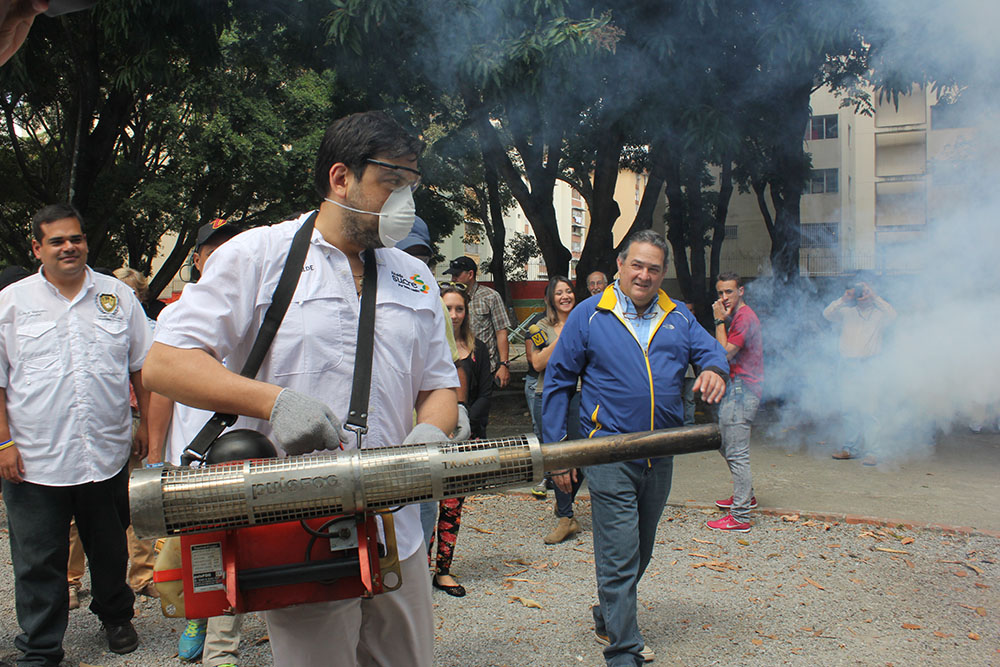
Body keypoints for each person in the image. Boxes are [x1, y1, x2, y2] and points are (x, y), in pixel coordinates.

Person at [142, 110, 459, 667]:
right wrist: (274, 402)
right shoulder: (258, 255)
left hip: (398, 526)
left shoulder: (416, 277)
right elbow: (165, 365)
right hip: (298, 525)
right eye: (393, 181)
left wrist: (430, 433)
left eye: (412, 185)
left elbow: (439, 385)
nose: (405, 200)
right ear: (341, 177)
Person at [542, 230, 728, 666]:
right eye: (637, 265)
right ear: (621, 266)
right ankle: (623, 649)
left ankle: (608, 612)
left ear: (663, 274)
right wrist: (557, 453)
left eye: (654, 268)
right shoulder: (589, 314)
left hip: (660, 452)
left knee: (641, 547)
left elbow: (712, 352)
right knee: (620, 550)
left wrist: (716, 369)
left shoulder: (678, 316)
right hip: (608, 451)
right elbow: (558, 384)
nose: (644, 275)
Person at [0, 203, 152, 663]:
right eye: (57, 241)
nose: (69, 247)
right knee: (36, 559)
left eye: (76, 238)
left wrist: (144, 426)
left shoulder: (117, 297)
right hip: (33, 458)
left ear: (86, 241)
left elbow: (144, 368)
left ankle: (116, 616)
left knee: (108, 549)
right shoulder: (11, 303)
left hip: (104, 453)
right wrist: (4, 442)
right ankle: (42, 645)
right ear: (36, 248)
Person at [145, 218, 243, 666]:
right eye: (214, 248)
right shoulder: (175, 313)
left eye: (232, 247)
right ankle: (198, 616)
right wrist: (155, 452)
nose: (223, 256)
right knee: (197, 544)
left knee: (237, 541)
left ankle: (223, 644)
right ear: (197, 258)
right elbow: (162, 389)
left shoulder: (260, 311)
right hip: (192, 450)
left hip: (240, 450)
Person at [429, 284, 492, 598]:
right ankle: (417, 569)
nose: (453, 315)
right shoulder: (428, 345)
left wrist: (463, 421)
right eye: (448, 308)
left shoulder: (478, 348)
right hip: (428, 438)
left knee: (452, 507)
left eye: (459, 309)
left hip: (465, 438)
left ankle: (442, 570)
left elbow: (486, 394)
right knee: (423, 505)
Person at [526, 276, 584, 544]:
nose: (565, 296)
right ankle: (566, 517)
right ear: (550, 298)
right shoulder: (539, 327)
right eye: (559, 293)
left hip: (581, 394)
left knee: (582, 454)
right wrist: (565, 336)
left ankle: (564, 506)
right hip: (546, 394)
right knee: (557, 455)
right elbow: (537, 362)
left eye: (568, 291)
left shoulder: (586, 322)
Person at [708, 272, 764, 532]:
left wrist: (719, 320)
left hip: (743, 392)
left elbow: (724, 354)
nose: (724, 297)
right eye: (720, 293)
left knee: (737, 453)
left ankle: (740, 516)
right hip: (737, 390)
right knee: (724, 444)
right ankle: (746, 496)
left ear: (741, 290)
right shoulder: (739, 317)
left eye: (729, 292)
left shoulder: (743, 318)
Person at [823, 275, 896, 465]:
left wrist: (875, 297)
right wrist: (844, 298)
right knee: (849, 408)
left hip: (870, 365)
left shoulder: (879, 315)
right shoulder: (847, 312)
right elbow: (827, 314)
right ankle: (850, 448)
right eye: (859, 291)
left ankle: (874, 451)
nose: (862, 294)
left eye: (865, 291)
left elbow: (893, 315)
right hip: (848, 365)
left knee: (871, 410)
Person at [442, 255, 512, 387]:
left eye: (457, 275)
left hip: (485, 368)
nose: (453, 279)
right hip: (454, 364)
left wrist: (504, 364)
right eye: (452, 275)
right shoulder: (448, 298)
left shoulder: (490, 297)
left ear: (470, 274)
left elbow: (501, 332)